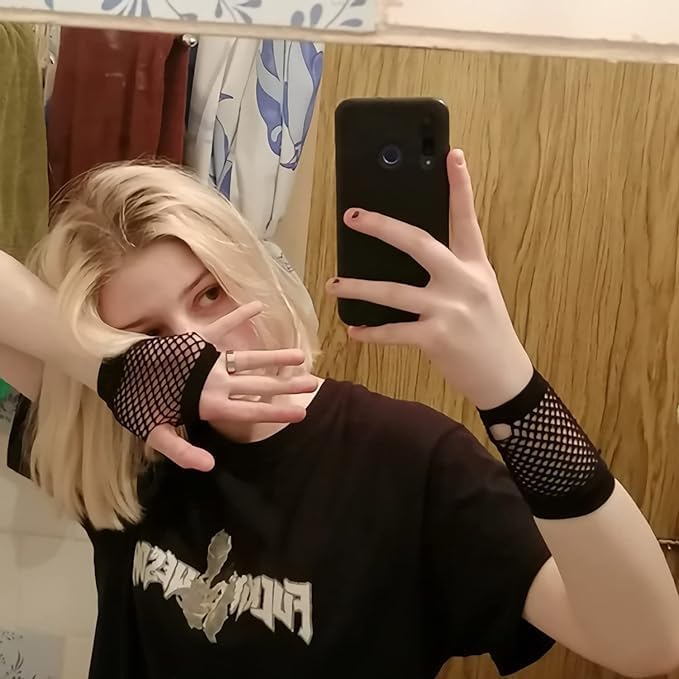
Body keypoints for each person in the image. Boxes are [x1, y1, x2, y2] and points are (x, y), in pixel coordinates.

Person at [1, 149, 678, 679]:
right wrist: (108, 367)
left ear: (251, 269)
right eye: (150, 336)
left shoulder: (408, 460)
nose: (198, 346)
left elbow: (648, 641)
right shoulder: (121, 436)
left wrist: (510, 385)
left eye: (209, 294)